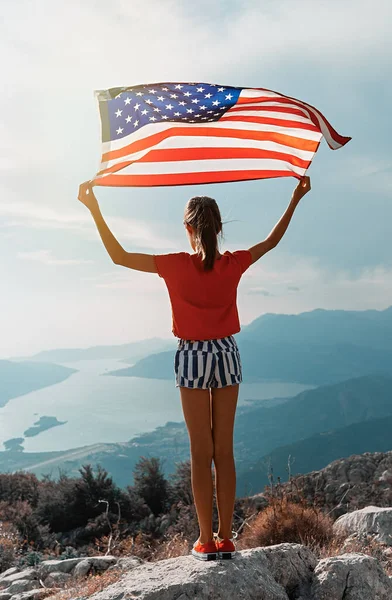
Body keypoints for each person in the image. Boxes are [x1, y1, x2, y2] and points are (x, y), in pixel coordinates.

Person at [77, 176, 311, 561]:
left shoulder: (174, 266)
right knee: (225, 450)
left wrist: (94, 208)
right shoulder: (233, 263)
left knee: (200, 451)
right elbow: (271, 241)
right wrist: (295, 198)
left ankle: (205, 541)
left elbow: (118, 256)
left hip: (192, 357)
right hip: (227, 354)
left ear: (187, 228)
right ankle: (226, 537)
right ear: (219, 228)